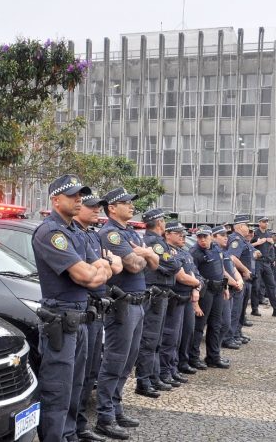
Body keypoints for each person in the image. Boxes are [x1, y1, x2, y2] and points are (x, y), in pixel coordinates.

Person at [32, 175, 112, 442]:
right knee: (57, 389)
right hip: (61, 321)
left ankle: (69, 435)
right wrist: (97, 268)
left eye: (81, 195)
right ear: (56, 200)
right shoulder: (50, 233)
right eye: (73, 196)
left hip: (79, 320)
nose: (79, 199)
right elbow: (87, 276)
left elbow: (102, 269)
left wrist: (97, 268)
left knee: (76, 386)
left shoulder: (75, 232)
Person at [94, 187, 159, 441]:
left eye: (131, 203)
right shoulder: (110, 233)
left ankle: (116, 408)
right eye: (125, 203)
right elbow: (133, 265)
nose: (131, 206)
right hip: (122, 305)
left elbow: (155, 264)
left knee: (128, 361)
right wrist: (145, 254)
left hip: (138, 303)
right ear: (112, 208)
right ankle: (105, 417)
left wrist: (146, 254)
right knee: (114, 361)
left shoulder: (130, 232)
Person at [74, 193, 123, 442]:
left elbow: (115, 267)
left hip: (96, 310)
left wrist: (105, 265)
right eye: (91, 207)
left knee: (91, 373)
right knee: (78, 376)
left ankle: (81, 426)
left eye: (98, 207)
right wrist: (105, 264)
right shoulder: (73, 235)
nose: (97, 211)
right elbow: (93, 273)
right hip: (83, 309)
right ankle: (72, 429)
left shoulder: (92, 234)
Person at [134, 209, 183, 396]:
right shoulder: (155, 243)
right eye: (163, 221)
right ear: (159, 223)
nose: (164, 223)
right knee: (150, 339)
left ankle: (153, 377)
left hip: (161, 293)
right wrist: (169, 264)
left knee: (156, 340)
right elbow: (173, 265)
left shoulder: (157, 242)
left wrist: (169, 264)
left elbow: (172, 264)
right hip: (154, 293)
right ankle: (144, 381)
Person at [160, 222, 202, 379]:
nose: (183, 237)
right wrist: (195, 284)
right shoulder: (168, 252)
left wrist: (196, 286)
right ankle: (167, 370)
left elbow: (197, 275)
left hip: (187, 298)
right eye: (178, 234)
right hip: (175, 298)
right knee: (170, 337)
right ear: (168, 234)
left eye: (184, 234)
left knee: (184, 335)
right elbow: (182, 277)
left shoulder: (185, 253)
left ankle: (175, 367)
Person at [188, 226, 229, 369]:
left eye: (205, 236)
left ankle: (213, 357)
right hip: (204, 292)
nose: (202, 240)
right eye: (199, 237)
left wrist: (225, 286)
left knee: (216, 325)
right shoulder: (194, 252)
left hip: (218, 290)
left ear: (211, 236)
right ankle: (193, 358)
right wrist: (195, 302)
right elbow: (192, 274)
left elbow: (220, 268)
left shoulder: (216, 248)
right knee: (199, 326)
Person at [213, 226, 245, 350]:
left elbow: (233, 268)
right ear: (214, 237)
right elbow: (222, 271)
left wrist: (239, 279)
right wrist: (234, 282)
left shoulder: (224, 251)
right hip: (223, 288)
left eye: (226, 236)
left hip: (230, 288)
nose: (226, 238)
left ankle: (216, 351)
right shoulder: (215, 251)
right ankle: (215, 350)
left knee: (228, 320)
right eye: (222, 236)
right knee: (223, 323)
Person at [252, 217, 276, 318]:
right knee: (256, 286)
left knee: (272, 285)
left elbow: (272, 248)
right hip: (257, 262)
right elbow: (248, 246)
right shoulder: (255, 233)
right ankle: (254, 309)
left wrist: (272, 258)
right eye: (264, 222)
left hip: (267, 263)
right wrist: (258, 243)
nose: (266, 223)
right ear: (259, 223)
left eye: (267, 222)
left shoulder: (268, 234)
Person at [228, 215, 256, 335]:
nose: (248, 228)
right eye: (246, 225)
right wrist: (245, 270)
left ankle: (237, 333)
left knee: (241, 309)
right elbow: (232, 257)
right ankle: (231, 335)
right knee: (235, 309)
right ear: (240, 226)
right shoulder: (236, 240)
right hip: (239, 278)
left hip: (246, 279)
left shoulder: (242, 240)